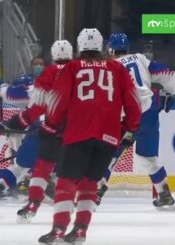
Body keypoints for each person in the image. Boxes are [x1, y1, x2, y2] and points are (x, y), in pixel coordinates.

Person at [38, 28, 141, 244]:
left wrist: (50, 124)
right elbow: (133, 100)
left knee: (66, 182)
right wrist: (129, 128)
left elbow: (58, 99)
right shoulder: (117, 67)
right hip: (108, 137)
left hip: (78, 134)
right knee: (90, 183)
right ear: (101, 46)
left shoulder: (72, 67)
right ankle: (80, 231)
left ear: (79, 46)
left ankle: (58, 230)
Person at [96, 32, 175, 210]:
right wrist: (170, 94)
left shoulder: (109, 66)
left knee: (109, 152)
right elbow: (167, 73)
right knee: (147, 158)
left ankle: (97, 191)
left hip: (126, 115)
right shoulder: (141, 58)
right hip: (149, 112)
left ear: (111, 49)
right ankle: (164, 194)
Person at [1, 40, 73, 222]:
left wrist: (18, 121)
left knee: (36, 167)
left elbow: (36, 105)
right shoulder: (81, 72)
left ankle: (29, 202)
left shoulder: (47, 75)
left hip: (49, 130)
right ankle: (71, 206)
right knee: (69, 171)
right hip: (75, 132)